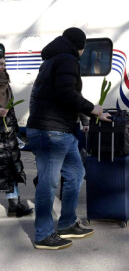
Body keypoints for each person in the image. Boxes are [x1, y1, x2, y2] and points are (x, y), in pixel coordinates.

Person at [26, 27, 111, 250]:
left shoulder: (53, 59)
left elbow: (69, 95)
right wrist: (92, 109)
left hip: (60, 130)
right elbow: (67, 93)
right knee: (49, 181)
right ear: (80, 46)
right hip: (51, 131)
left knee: (75, 173)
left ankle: (67, 223)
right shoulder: (67, 59)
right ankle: (43, 235)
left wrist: (88, 116)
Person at [0, 54, 34, 218]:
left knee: (11, 168)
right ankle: (14, 204)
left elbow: (10, 110)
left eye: (4, 64)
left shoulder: (6, 85)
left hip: (8, 134)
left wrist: (16, 133)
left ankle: (14, 204)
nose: (3, 67)